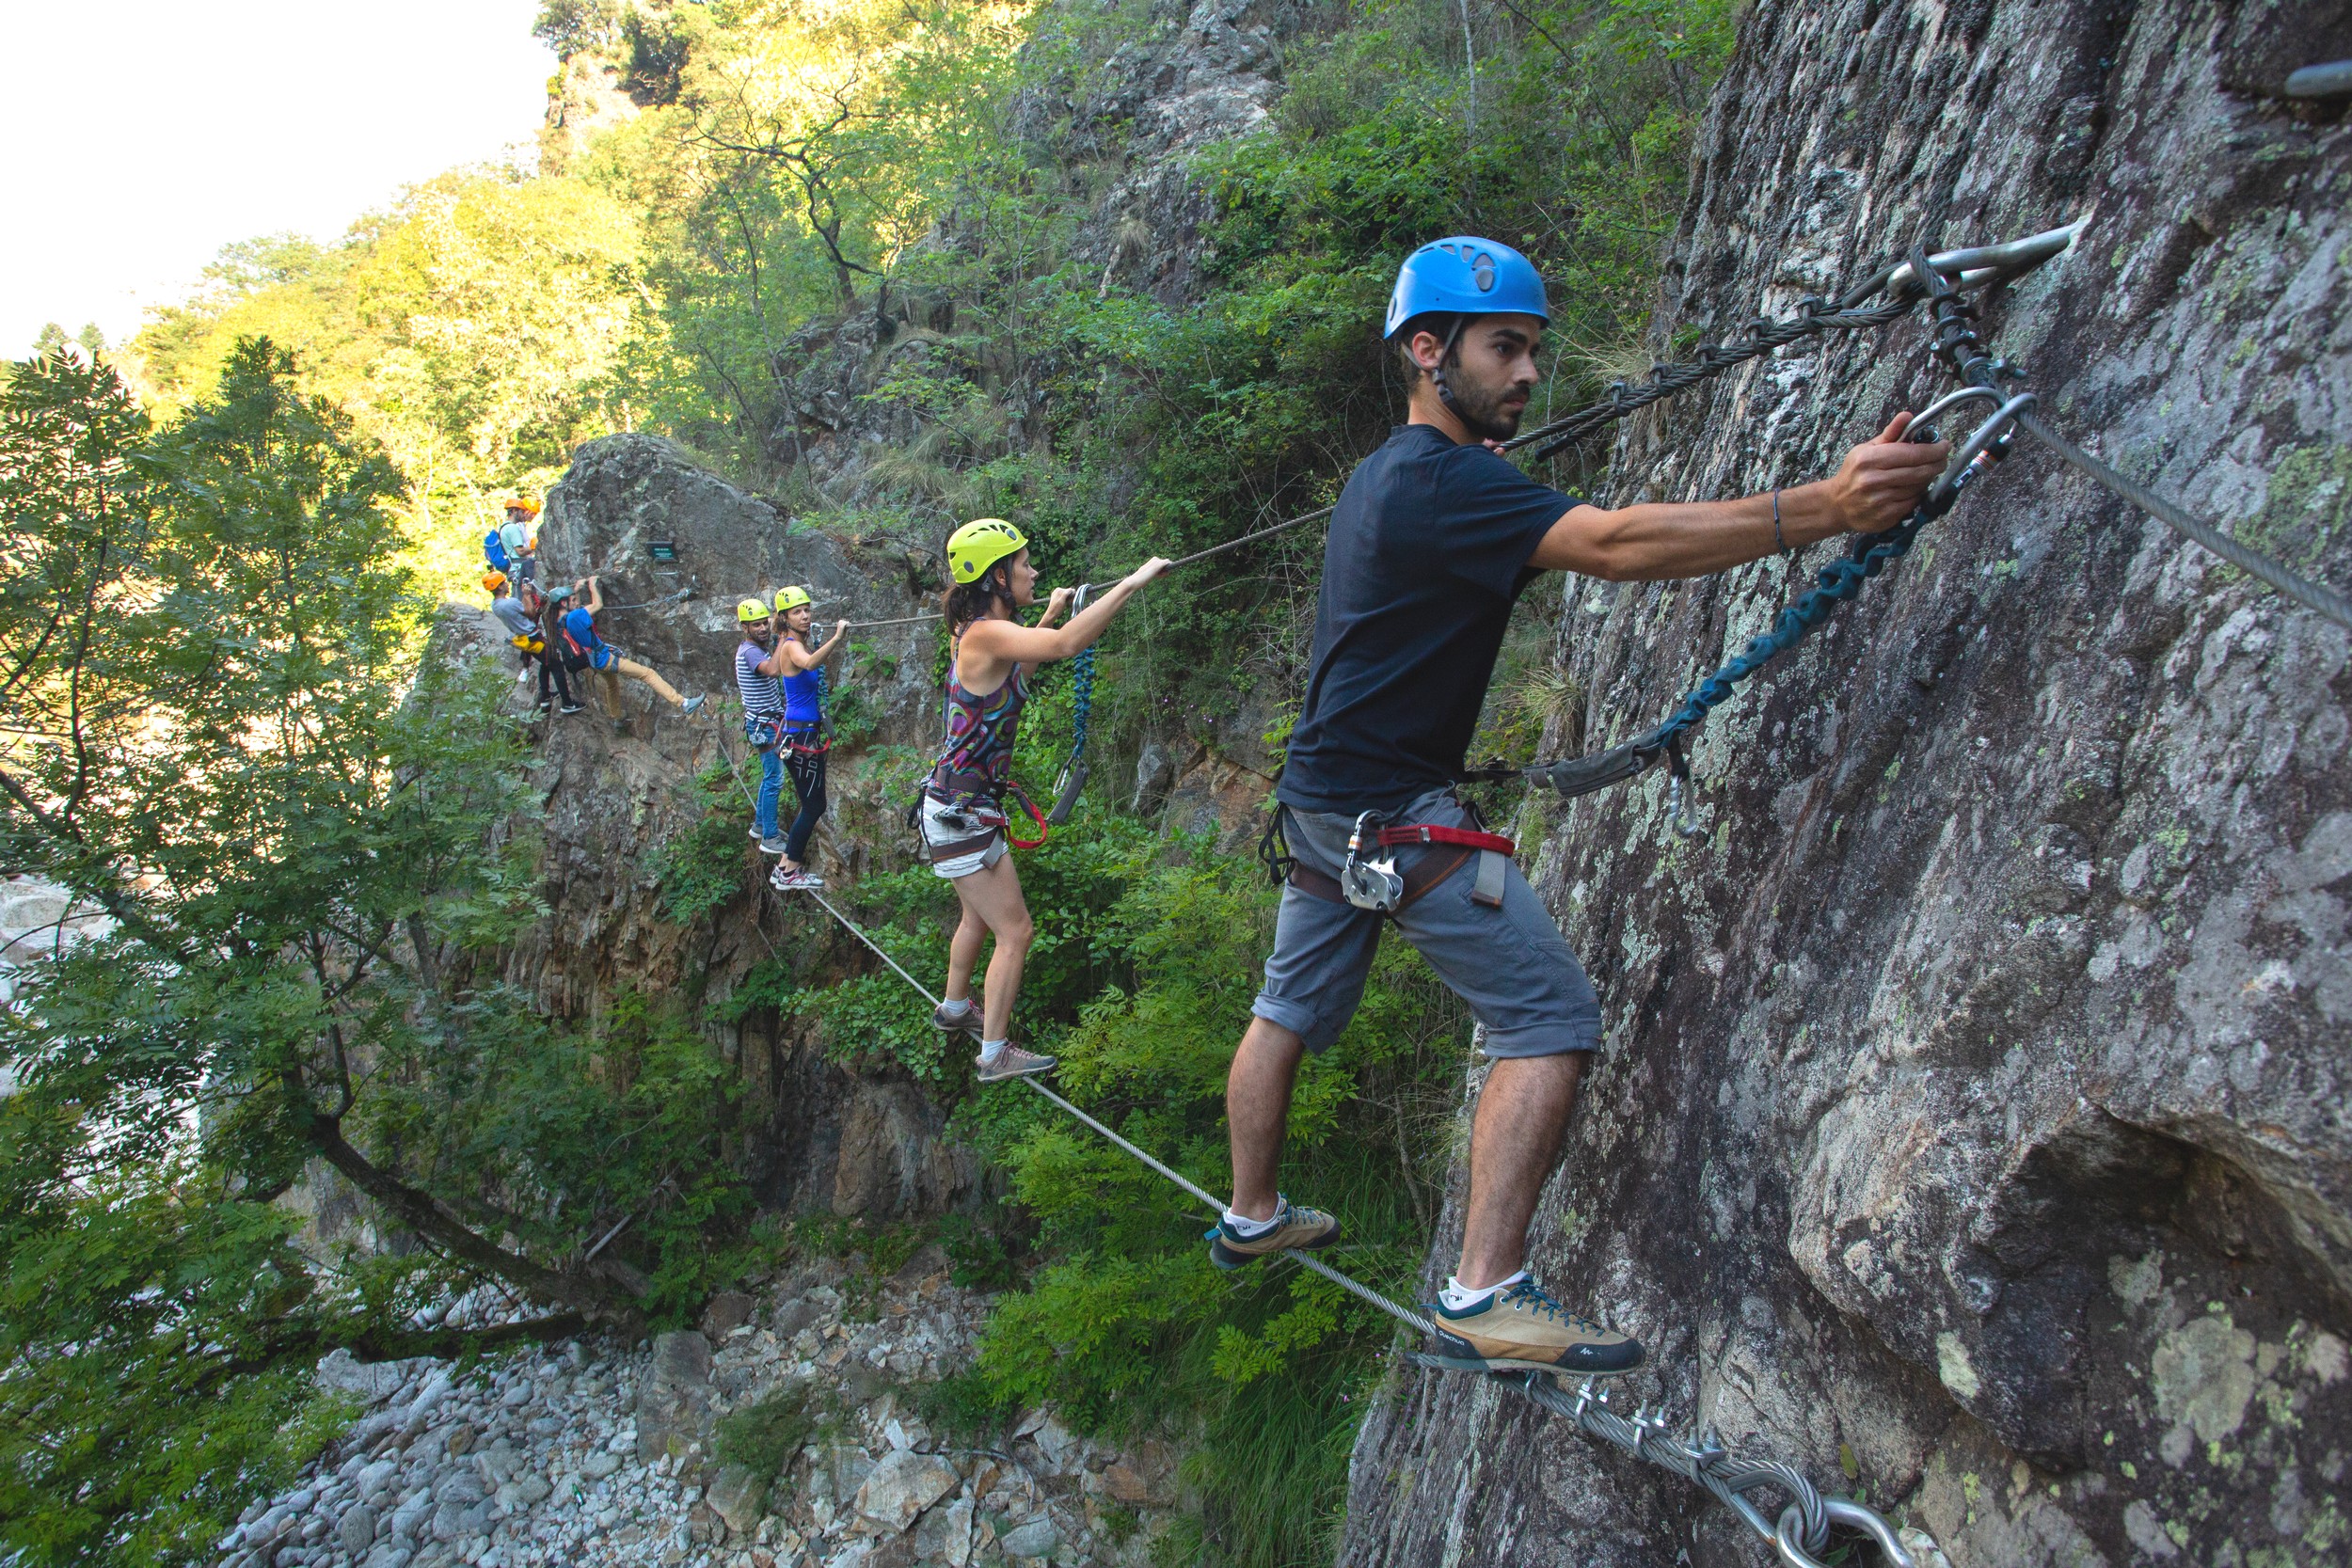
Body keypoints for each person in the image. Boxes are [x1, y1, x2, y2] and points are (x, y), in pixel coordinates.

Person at [1211, 236, 1952, 1380]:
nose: (1525, 375)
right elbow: (1612, 543)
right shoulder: (1444, 482)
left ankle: (1251, 1209)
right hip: (1385, 817)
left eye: (1533, 353)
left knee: (1288, 1010)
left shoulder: (1384, 476)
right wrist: (1830, 506)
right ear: (1426, 350)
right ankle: (1485, 1293)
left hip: (1322, 805)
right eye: (1503, 347)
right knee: (1547, 1015)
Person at [922, 519, 1168, 1081]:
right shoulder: (984, 634)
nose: (1033, 571)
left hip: (957, 808)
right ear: (997, 576)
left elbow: (1025, 663)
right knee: (1017, 931)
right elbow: (1063, 648)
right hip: (964, 815)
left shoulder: (979, 634)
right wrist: (1131, 582)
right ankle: (994, 1054)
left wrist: (1051, 610)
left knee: (977, 919)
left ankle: (955, 1008)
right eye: (1024, 564)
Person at [760, 586, 847, 891]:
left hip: (801, 735)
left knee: (810, 804)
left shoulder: (794, 642)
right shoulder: (790, 646)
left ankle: (784, 865)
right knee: (814, 807)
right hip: (802, 739)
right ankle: (790, 871)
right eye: (798, 611)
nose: (805, 615)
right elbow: (809, 664)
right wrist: (836, 639)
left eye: (807, 609)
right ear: (784, 617)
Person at [559, 576, 706, 728]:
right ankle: (683, 703)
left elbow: (581, 611)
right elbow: (597, 605)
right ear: (564, 603)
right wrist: (592, 585)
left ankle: (616, 717)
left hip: (595, 661)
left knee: (612, 684)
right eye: (573, 600)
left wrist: (576, 590)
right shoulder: (575, 616)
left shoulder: (561, 621)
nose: (577, 603)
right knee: (648, 674)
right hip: (606, 659)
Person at [489, 570, 576, 714]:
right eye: (503, 583)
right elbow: (531, 613)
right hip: (533, 637)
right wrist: (527, 595)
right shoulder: (510, 603)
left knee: (546, 663)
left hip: (524, 639)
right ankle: (567, 704)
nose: (506, 584)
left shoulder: (495, 605)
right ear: (499, 587)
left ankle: (545, 698)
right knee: (556, 665)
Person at [499, 497, 540, 584]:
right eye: (521, 511)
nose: (523, 514)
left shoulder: (504, 527)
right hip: (520, 569)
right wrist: (536, 547)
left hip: (515, 568)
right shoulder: (513, 528)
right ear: (514, 511)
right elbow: (520, 551)